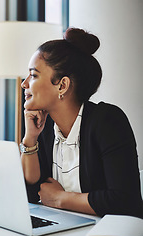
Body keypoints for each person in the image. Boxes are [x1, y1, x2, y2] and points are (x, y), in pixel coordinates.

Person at [20, 27, 143, 219]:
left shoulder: (108, 121)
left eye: (34, 75)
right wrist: (30, 139)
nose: (24, 83)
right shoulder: (44, 128)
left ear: (62, 85)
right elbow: (30, 192)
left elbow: (125, 201)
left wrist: (61, 198)